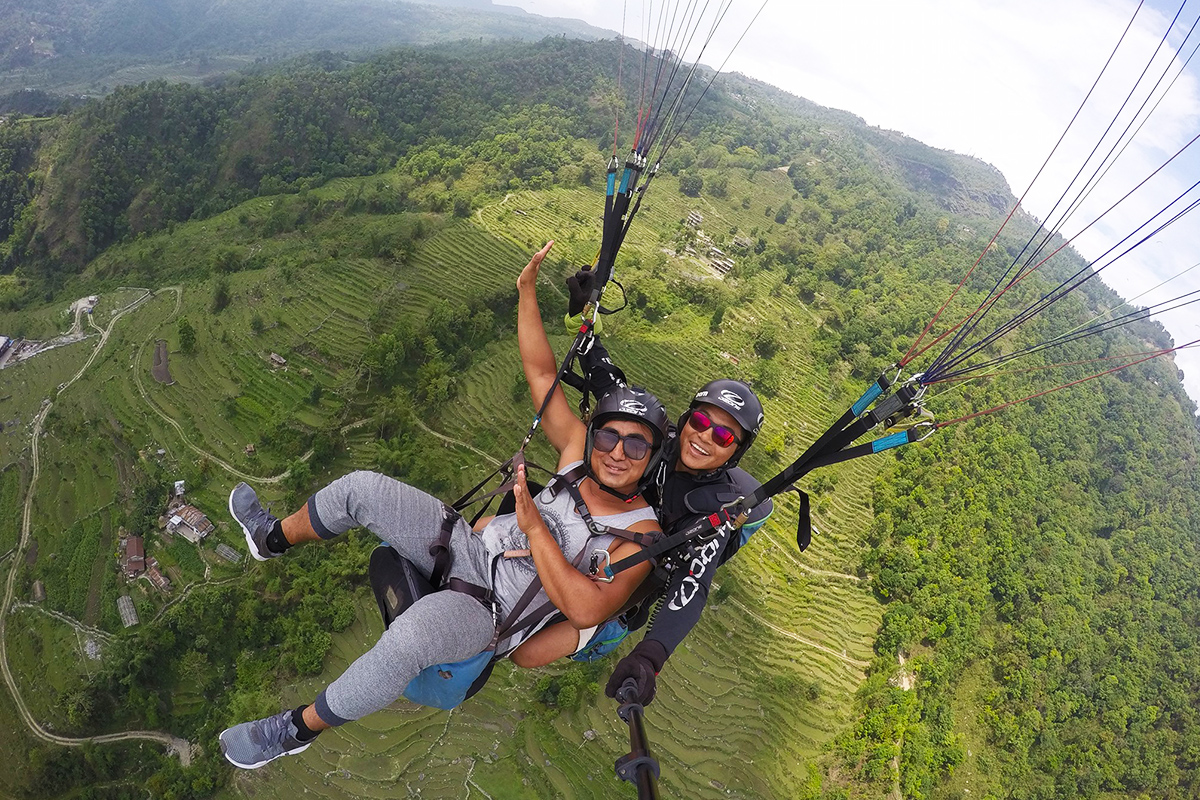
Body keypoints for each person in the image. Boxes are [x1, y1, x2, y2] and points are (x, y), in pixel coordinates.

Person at [218, 242, 670, 769]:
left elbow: (587, 608)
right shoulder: (576, 455)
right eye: (609, 436)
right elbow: (543, 375)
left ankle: (293, 731)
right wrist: (526, 293)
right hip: (466, 544)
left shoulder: (640, 533)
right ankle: (271, 538)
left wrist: (533, 527)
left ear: (652, 456)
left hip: (489, 611)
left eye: (636, 444)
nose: (617, 452)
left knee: (406, 642)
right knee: (360, 487)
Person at [509, 327, 772, 710]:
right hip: (597, 541)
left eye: (723, 436)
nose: (704, 437)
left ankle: (600, 633)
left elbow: (693, 583)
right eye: (700, 422)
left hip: (623, 590)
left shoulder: (717, 510)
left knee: (526, 653)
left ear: (736, 452)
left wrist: (651, 656)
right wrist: (582, 325)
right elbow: (612, 387)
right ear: (686, 420)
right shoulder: (658, 440)